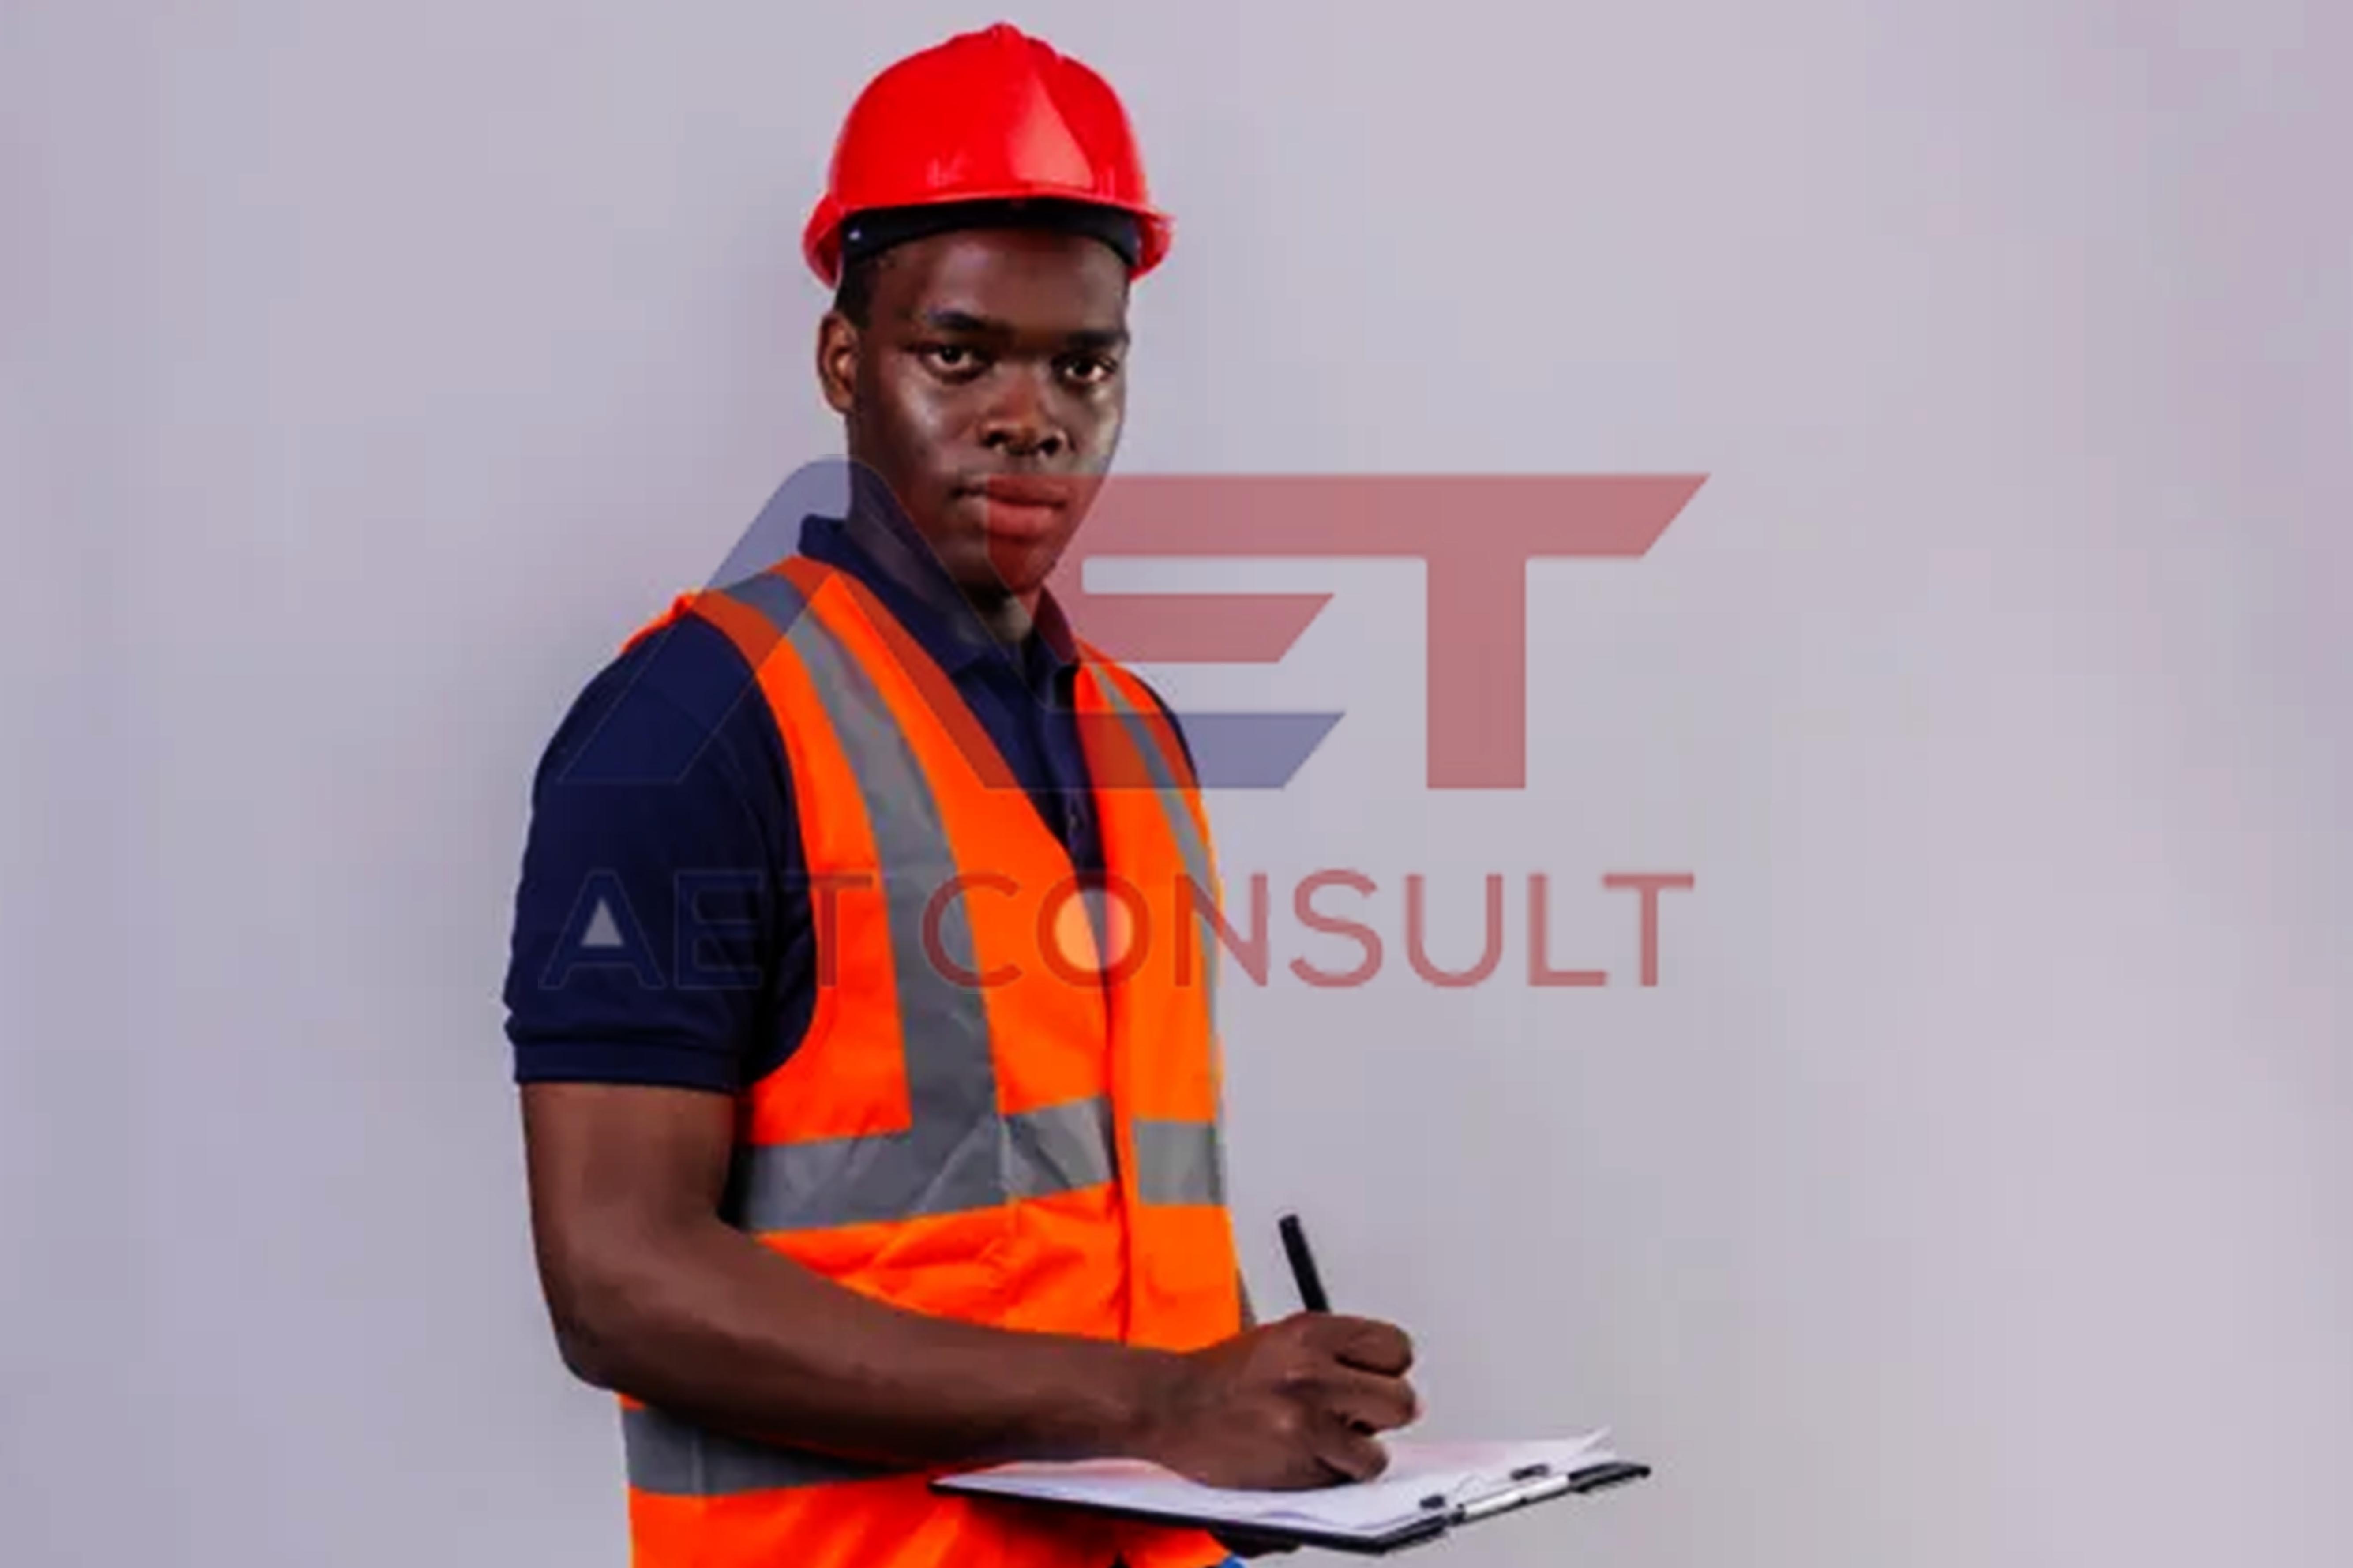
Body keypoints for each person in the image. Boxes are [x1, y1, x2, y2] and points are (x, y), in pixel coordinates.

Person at [501, 22, 1420, 1568]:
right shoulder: (691, 728)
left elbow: (1091, 1224)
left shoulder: (1136, 737)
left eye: (1084, 364)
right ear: (842, 361)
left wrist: (1263, 1421)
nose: (1030, 414)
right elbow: (616, 1278)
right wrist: (1158, 1402)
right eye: (960, 353)